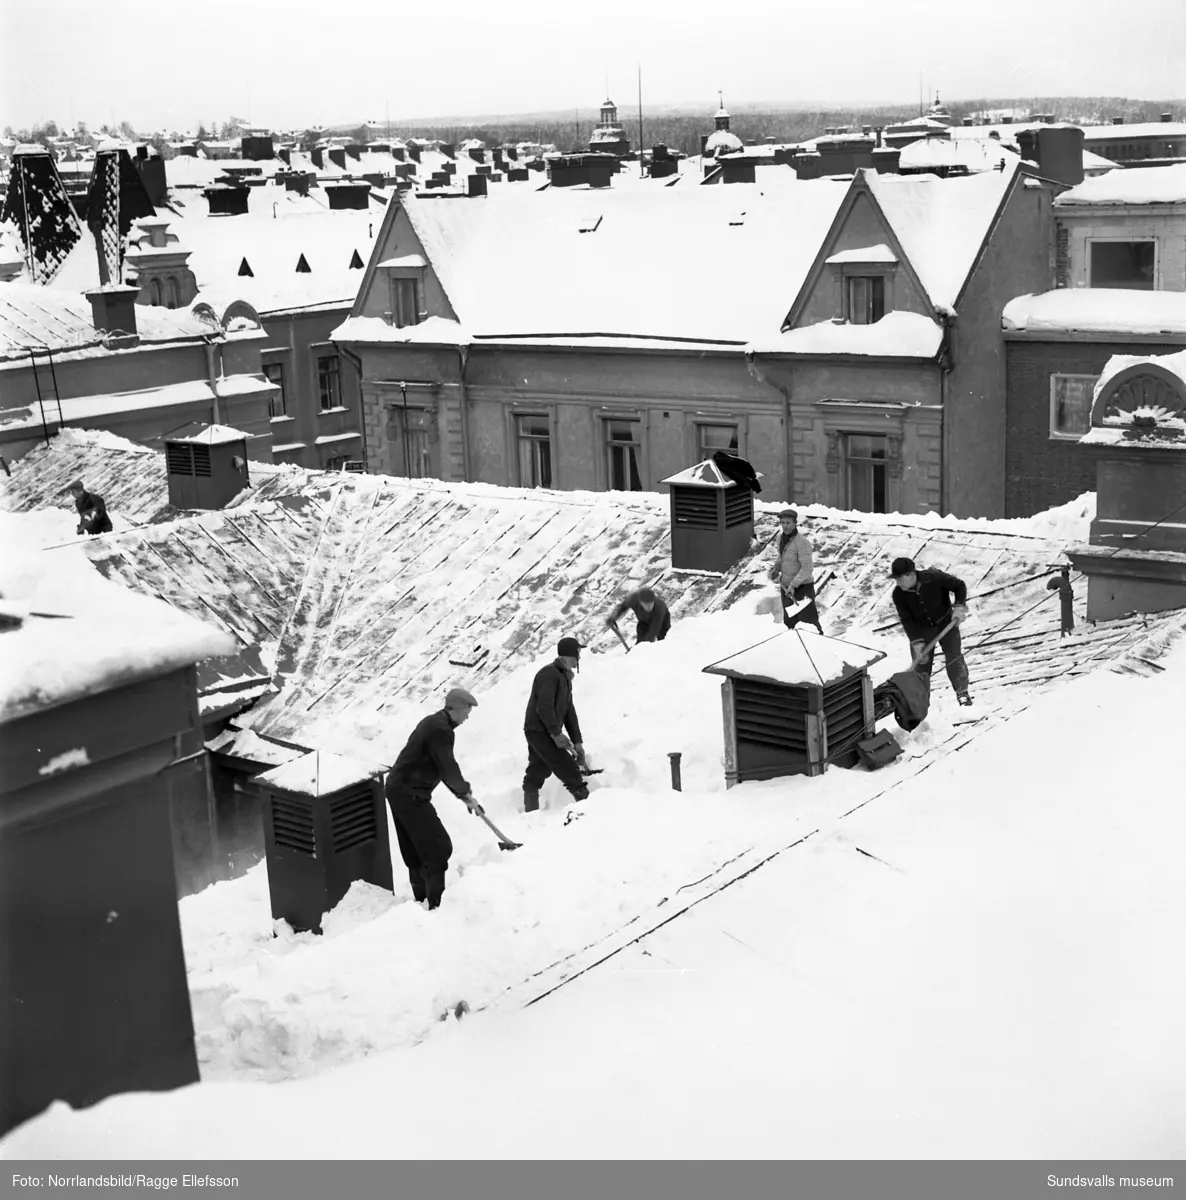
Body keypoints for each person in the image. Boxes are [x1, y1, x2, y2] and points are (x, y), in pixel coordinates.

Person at [384, 686, 484, 910]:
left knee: (416, 848)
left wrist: (463, 795)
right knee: (439, 848)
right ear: (457, 708)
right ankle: (435, 906)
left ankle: (421, 901)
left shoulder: (434, 722)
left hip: (398, 789)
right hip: (410, 794)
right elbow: (448, 767)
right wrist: (465, 793)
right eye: (467, 710)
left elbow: (442, 766)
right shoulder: (441, 731)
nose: (468, 716)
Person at [890, 557, 972, 705]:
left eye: (900, 579)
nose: (898, 583)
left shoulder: (934, 578)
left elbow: (959, 586)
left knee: (954, 658)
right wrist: (916, 642)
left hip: (946, 622)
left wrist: (959, 607)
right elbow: (907, 619)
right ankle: (921, 703)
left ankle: (962, 693)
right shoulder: (898, 594)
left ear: (911, 575)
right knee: (921, 668)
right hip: (922, 631)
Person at [522, 635, 590, 812]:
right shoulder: (548, 674)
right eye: (578, 652)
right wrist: (556, 734)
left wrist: (577, 742)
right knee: (567, 768)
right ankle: (590, 810)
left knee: (538, 770)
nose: (580, 656)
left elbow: (569, 712)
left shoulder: (565, 678)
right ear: (570, 654)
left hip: (547, 731)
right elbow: (543, 708)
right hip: (538, 730)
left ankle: (530, 816)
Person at [770, 509, 823, 634]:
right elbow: (782, 557)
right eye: (782, 523)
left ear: (795, 523)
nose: (784, 526)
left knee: (808, 623)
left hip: (803, 588)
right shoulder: (780, 538)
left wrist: (794, 585)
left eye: (788, 523)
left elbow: (807, 568)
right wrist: (776, 569)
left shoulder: (802, 543)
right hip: (786, 588)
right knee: (790, 623)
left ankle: (818, 644)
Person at [606, 586, 671, 644]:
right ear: (640, 602)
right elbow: (622, 606)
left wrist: (647, 643)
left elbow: (655, 628)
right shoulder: (633, 599)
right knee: (641, 641)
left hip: (662, 622)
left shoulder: (659, 607)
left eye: (651, 603)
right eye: (646, 604)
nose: (649, 607)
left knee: (663, 640)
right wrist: (613, 617)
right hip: (643, 621)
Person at [1047, 566, 1075, 637]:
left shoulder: (1063, 583)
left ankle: (1066, 630)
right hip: (1067, 594)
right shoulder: (1064, 583)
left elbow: (1049, 587)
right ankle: (1069, 627)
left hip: (1066, 595)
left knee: (1066, 613)